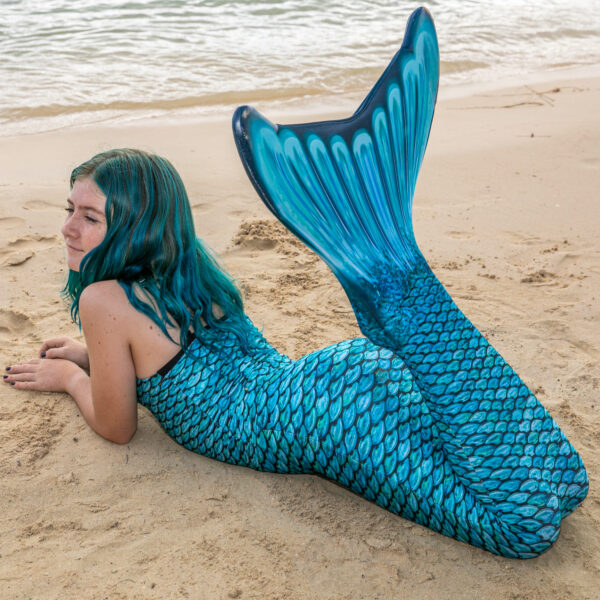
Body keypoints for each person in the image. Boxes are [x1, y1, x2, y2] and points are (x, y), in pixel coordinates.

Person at [4, 147, 588, 559]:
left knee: (520, 530)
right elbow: (185, 354)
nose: (67, 229)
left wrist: (69, 378)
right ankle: (403, 286)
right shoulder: (187, 263)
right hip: (331, 377)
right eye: (69, 209)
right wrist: (93, 354)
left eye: (89, 216)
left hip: (316, 421)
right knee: (535, 472)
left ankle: (395, 270)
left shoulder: (105, 298)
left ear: (133, 228)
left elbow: (117, 425)